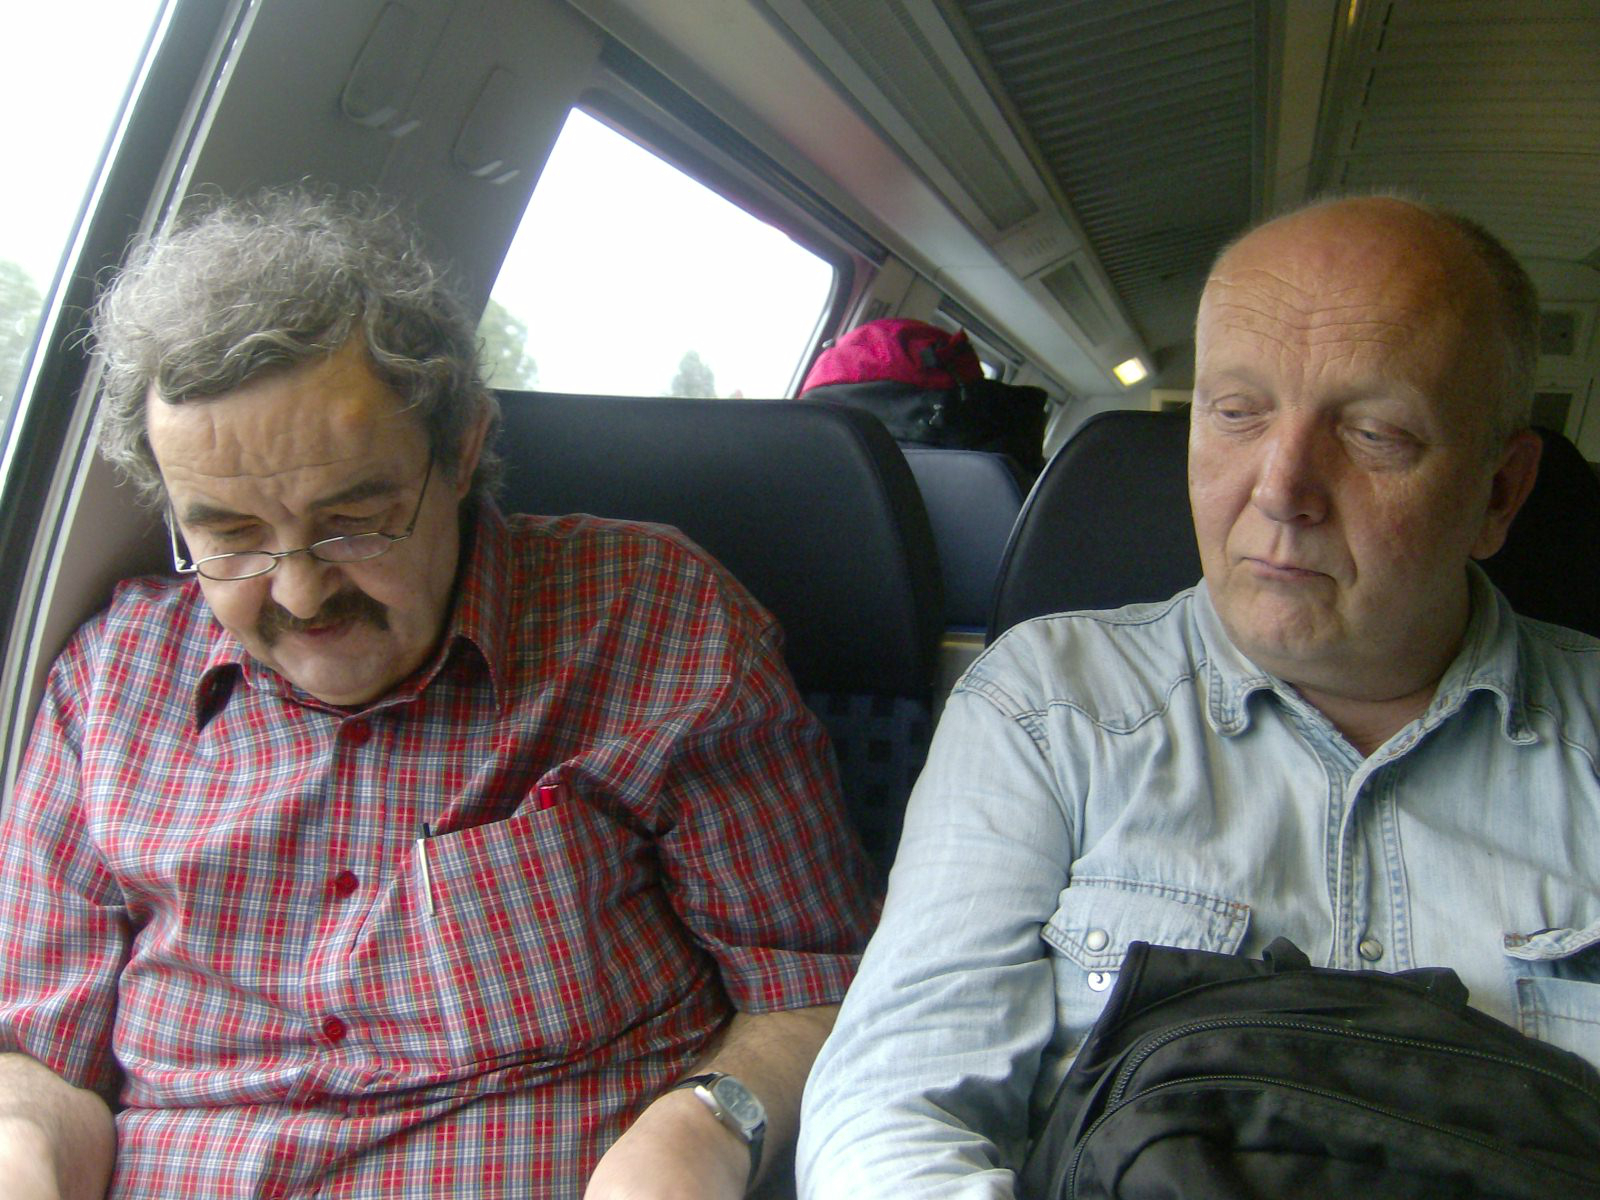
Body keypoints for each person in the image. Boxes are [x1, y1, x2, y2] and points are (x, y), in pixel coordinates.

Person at [0, 188, 876, 1200]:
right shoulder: (106, 682)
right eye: (230, 537)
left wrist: (699, 1137)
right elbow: (39, 1055)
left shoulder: (656, 625)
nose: (299, 592)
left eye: (354, 520)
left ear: (460, 448)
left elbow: (813, 984)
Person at [796, 195, 1600, 1197]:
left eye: (1375, 431)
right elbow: (888, 1109)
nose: (1281, 487)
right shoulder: (1045, 709)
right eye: (1236, 411)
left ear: (1498, 493)